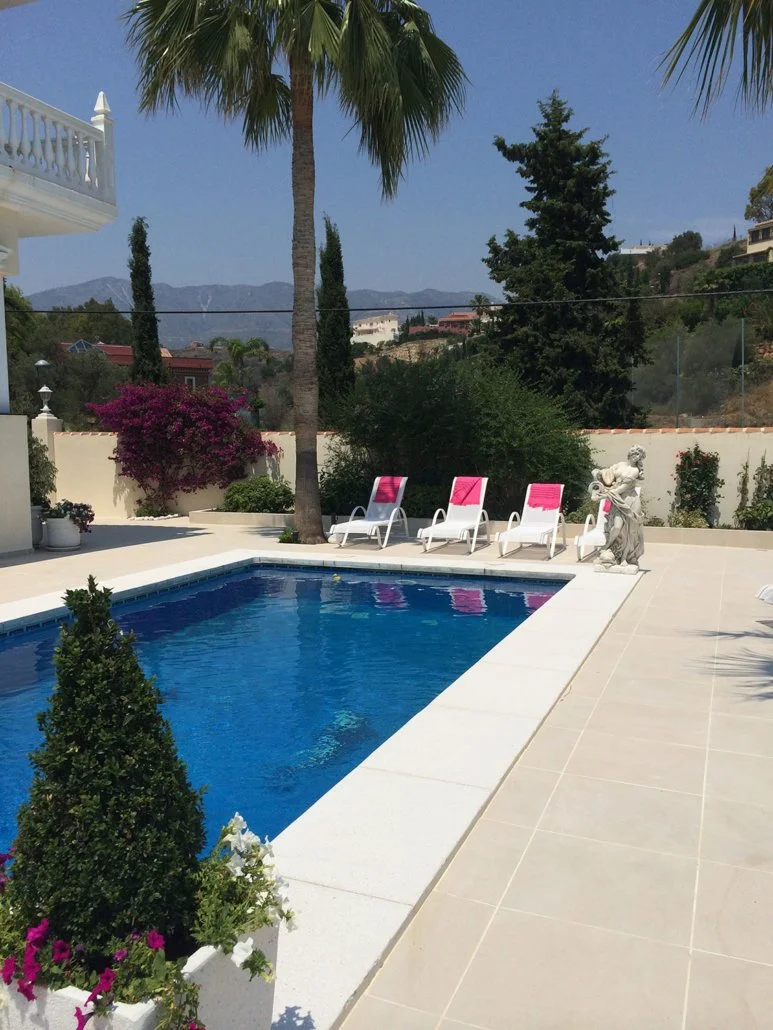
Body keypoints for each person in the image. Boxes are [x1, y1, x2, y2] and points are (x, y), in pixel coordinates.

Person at [589, 445, 646, 569]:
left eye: (639, 456)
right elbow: (608, 475)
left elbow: (620, 489)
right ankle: (607, 547)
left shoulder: (635, 471)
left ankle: (625, 557)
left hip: (629, 501)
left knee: (630, 531)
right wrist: (599, 474)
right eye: (635, 453)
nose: (636, 457)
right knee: (616, 527)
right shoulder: (620, 465)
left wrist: (600, 497)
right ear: (630, 453)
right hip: (617, 500)